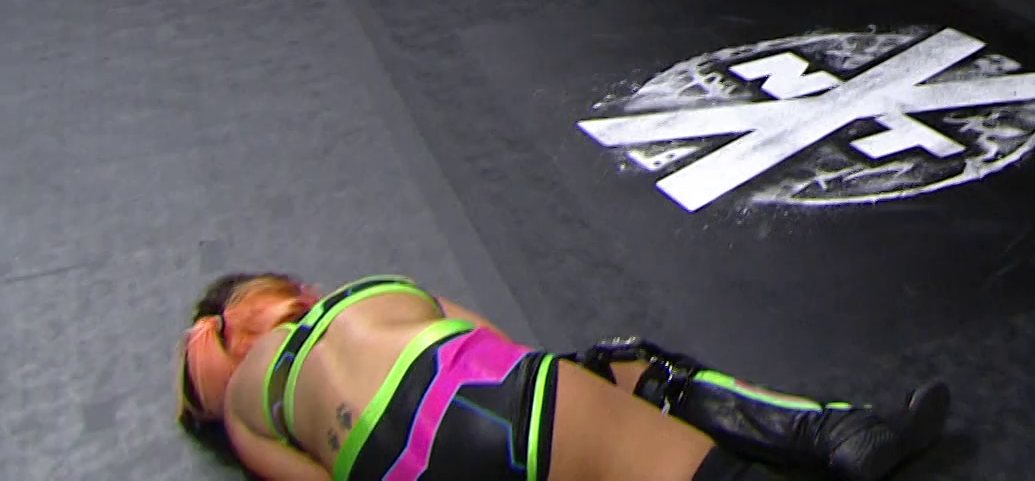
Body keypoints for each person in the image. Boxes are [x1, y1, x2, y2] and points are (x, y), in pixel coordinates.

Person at [177, 272, 949, 480]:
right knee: (627, 367)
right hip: (506, 401)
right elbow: (497, 350)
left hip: (400, 467)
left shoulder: (247, 408)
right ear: (293, 294)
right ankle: (836, 430)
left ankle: (839, 434)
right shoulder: (370, 290)